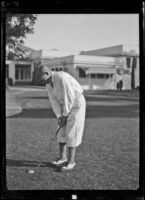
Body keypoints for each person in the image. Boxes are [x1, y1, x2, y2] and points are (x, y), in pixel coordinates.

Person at [39, 65, 86, 171]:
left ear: (46, 73)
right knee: (61, 131)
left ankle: (71, 162)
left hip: (76, 103)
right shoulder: (48, 82)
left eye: (40, 77)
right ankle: (62, 158)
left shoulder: (62, 78)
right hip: (65, 106)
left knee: (71, 132)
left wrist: (64, 115)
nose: (40, 81)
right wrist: (59, 116)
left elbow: (69, 97)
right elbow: (53, 100)